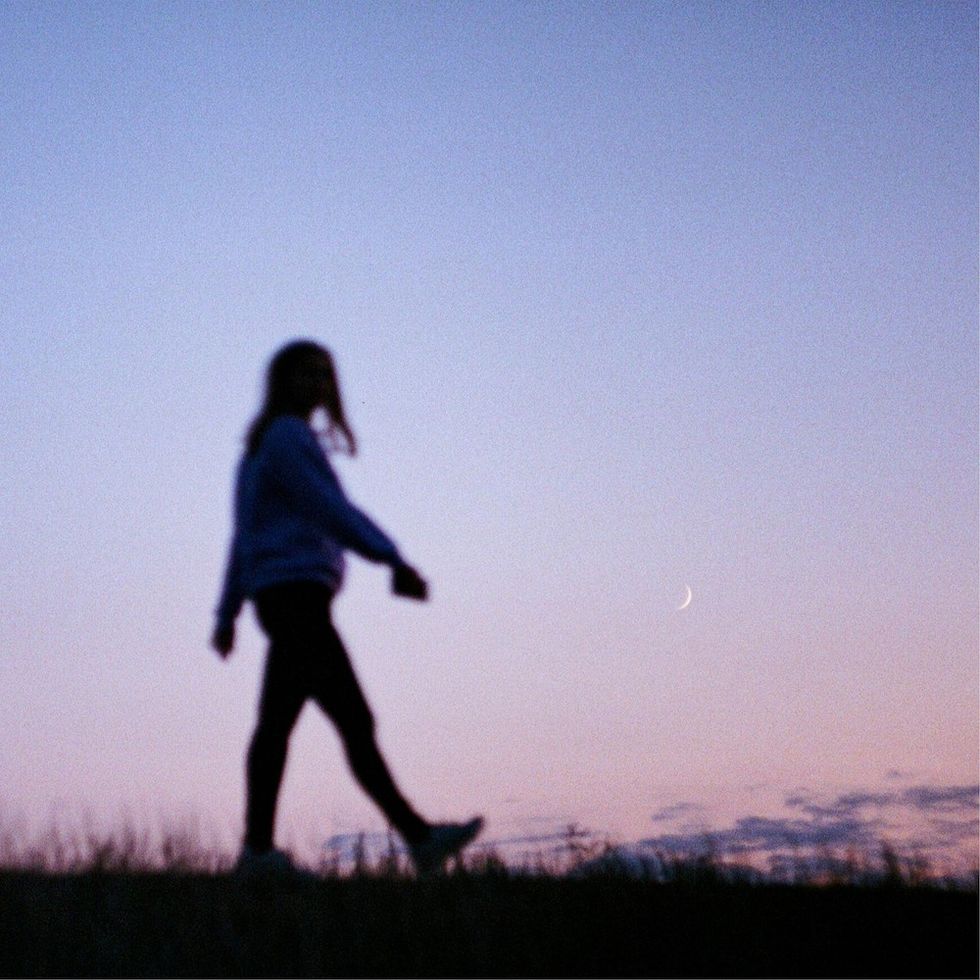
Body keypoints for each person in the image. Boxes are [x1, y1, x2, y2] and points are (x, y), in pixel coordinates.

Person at [211, 339, 482, 876]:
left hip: (287, 600)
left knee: (278, 726)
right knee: (350, 720)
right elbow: (328, 509)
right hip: (295, 600)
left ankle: (258, 852)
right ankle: (417, 838)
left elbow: (241, 539)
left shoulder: (261, 448)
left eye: (324, 374)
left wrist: (228, 613)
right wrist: (391, 558)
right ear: (282, 382)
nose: (318, 383)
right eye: (306, 373)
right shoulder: (286, 438)